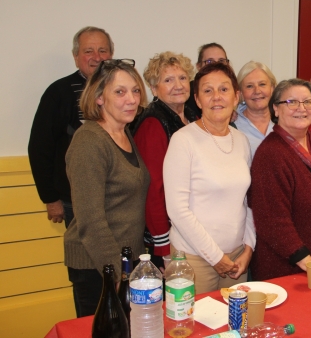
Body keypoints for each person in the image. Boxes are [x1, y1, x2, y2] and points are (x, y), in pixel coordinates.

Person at [64, 59, 149, 317]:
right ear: (99, 97)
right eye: (120, 92)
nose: (132, 99)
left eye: (135, 91)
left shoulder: (123, 132)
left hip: (124, 262)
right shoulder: (89, 141)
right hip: (98, 266)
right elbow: (91, 220)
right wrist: (117, 271)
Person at [163, 62, 254, 294]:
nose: (216, 97)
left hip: (236, 257)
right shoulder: (183, 140)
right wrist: (216, 257)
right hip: (194, 259)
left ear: (236, 97)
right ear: (197, 99)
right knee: (196, 327)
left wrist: (249, 248)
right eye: (207, 90)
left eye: (224, 90)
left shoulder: (241, 140)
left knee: (235, 327)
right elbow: (177, 210)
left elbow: (249, 200)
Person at [248, 79, 311, 281]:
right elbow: (271, 221)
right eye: (292, 102)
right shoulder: (270, 154)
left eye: (307, 102)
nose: (301, 108)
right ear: (276, 109)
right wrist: (305, 259)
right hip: (289, 270)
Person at [29, 26, 113, 227]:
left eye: (103, 50)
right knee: (83, 255)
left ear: (111, 55)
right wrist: (50, 198)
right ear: (76, 56)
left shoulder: (121, 90)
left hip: (115, 196)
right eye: (88, 51)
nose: (97, 57)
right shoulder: (58, 92)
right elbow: (40, 147)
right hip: (74, 199)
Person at [130, 52, 198, 270]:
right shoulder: (153, 124)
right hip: (168, 237)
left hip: (191, 229)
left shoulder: (191, 115)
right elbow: (153, 190)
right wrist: (163, 248)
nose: (178, 85)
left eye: (182, 78)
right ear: (153, 88)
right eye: (168, 80)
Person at [235, 61, 276, 156]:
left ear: (272, 88)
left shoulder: (285, 122)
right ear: (240, 93)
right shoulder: (231, 127)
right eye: (249, 86)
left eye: (262, 84)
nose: (257, 91)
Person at [185, 42, 230, 118]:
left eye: (221, 61)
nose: (216, 65)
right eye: (209, 61)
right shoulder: (188, 93)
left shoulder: (231, 88)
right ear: (198, 66)